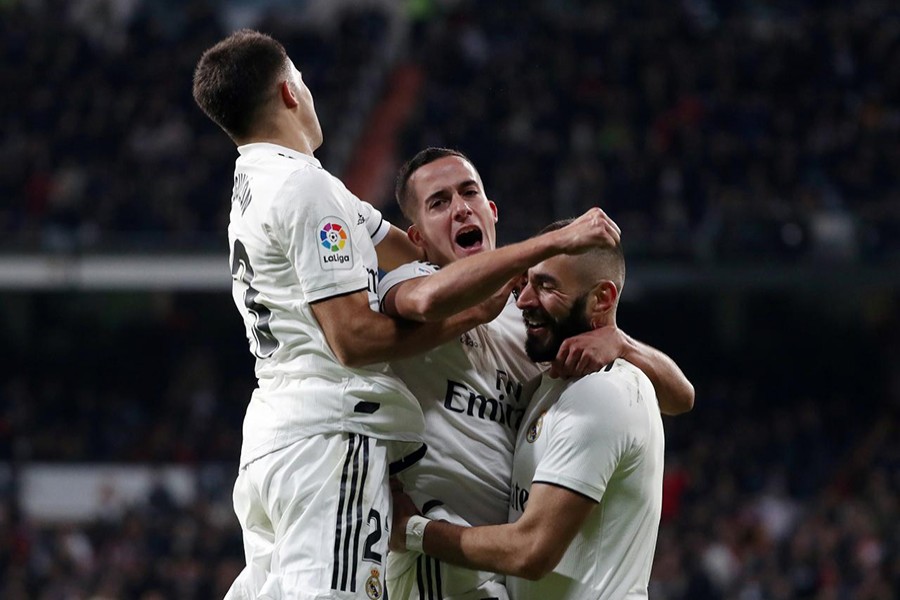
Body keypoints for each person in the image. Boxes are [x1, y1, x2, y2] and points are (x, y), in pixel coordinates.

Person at [192, 31, 627, 598]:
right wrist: (530, 262)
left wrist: (498, 274)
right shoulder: (305, 186)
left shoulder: (258, 186)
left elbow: (408, 250)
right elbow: (353, 338)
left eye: (467, 195)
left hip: (275, 438)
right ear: (290, 91)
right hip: (331, 437)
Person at [380, 148, 692, 599]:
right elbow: (429, 300)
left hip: (497, 565)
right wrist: (547, 245)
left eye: (469, 193)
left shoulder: (532, 322)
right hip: (433, 569)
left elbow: (680, 397)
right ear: (418, 237)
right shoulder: (406, 284)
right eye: (439, 202)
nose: (460, 208)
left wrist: (622, 343)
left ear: (491, 212)